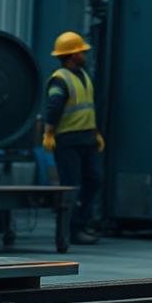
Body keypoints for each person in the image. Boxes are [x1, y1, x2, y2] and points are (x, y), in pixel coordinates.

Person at [42, 31, 104, 246]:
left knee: (94, 180)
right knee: (71, 187)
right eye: (81, 51)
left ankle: (81, 222)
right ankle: (71, 230)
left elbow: (87, 107)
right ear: (71, 55)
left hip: (87, 139)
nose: (84, 55)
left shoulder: (83, 75)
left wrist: (95, 132)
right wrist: (49, 132)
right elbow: (53, 106)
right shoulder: (60, 79)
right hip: (68, 141)